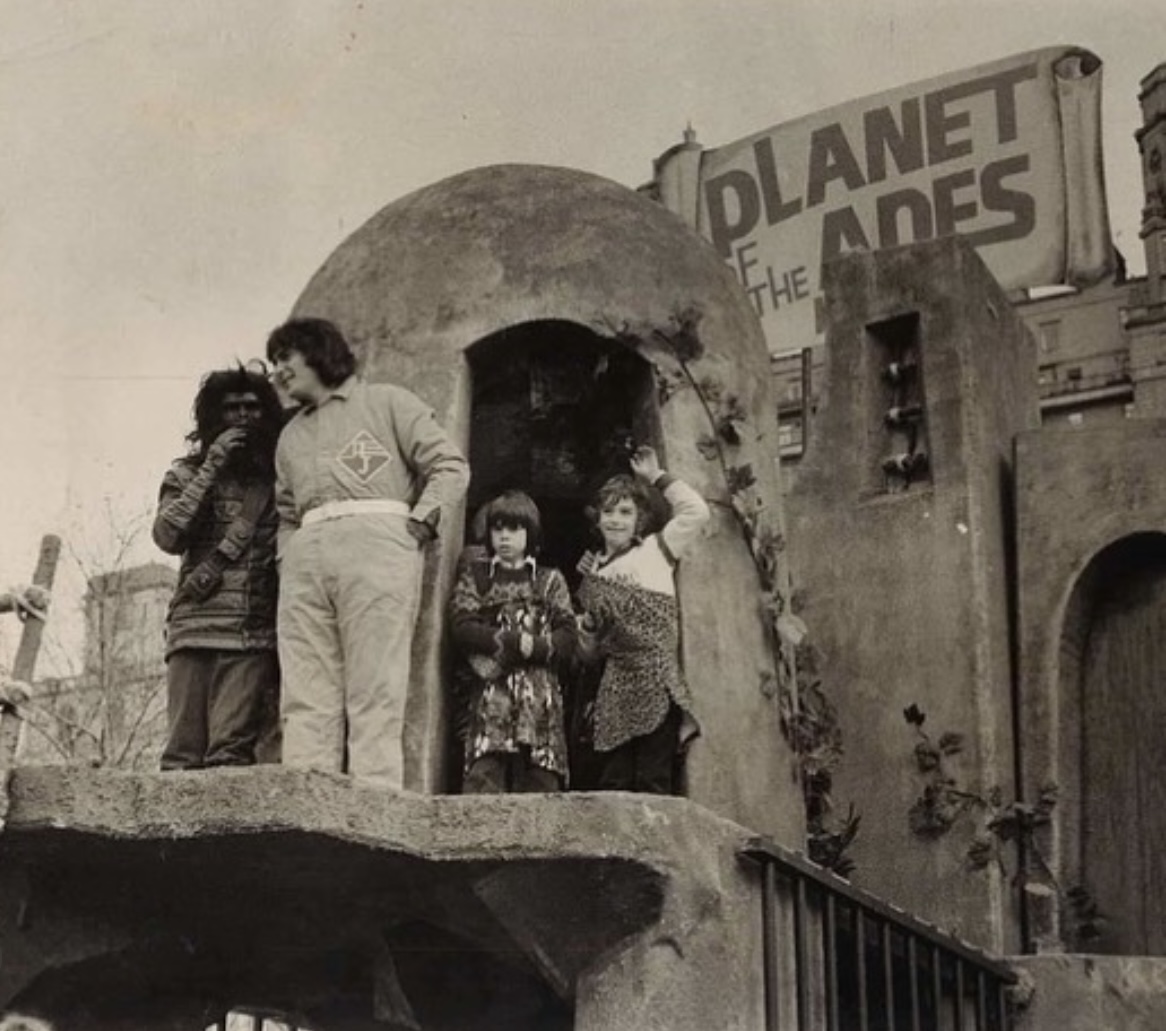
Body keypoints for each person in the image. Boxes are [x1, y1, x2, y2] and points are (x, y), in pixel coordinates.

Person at [267, 317, 469, 788]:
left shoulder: (387, 402)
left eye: (285, 358)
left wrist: (420, 522)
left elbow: (449, 465)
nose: (278, 371)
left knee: (375, 686)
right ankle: (307, 808)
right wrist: (287, 558)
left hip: (378, 548)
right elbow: (285, 513)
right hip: (306, 560)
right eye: (274, 362)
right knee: (304, 692)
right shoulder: (290, 436)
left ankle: (374, 808)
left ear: (318, 352)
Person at [153, 365, 283, 770]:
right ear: (213, 416)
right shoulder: (185, 473)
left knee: (230, 754)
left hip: (250, 633)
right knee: (181, 754)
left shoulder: (280, 481)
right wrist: (211, 467)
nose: (243, 417)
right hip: (193, 628)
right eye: (232, 409)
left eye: (252, 408)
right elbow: (168, 537)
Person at [576, 445, 710, 794]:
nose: (615, 520)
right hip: (615, 688)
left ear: (639, 519)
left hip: (655, 680)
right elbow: (590, 655)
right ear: (597, 518)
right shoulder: (592, 574)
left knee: (653, 780)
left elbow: (696, 512)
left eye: (624, 511)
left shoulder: (655, 550)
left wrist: (655, 476)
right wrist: (588, 629)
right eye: (608, 512)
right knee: (614, 784)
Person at [449, 491, 576, 793]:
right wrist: (512, 641)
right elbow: (462, 625)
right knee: (486, 772)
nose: (504, 537)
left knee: (541, 776)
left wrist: (533, 648)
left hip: (540, 696)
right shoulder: (478, 576)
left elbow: (568, 635)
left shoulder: (549, 580)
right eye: (498, 528)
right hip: (492, 692)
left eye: (514, 529)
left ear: (530, 533)